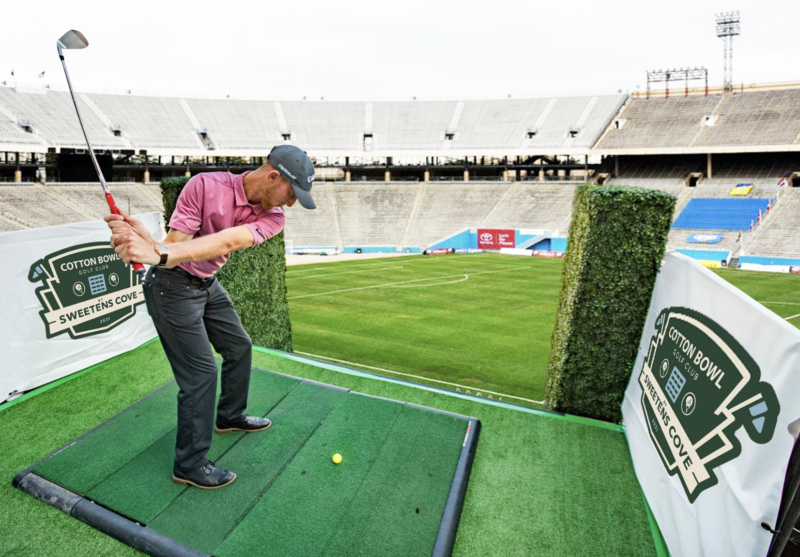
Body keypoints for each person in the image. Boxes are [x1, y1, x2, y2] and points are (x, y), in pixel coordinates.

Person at [105, 145, 315, 489]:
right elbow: (176, 244)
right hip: (170, 289)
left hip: (206, 284)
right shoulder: (205, 185)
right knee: (201, 374)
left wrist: (155, 248)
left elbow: (226, 242)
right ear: (273, 177)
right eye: (291, 193)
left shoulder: (274, 218)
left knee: (239, 346)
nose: (291, 203)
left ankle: (230, 415)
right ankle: (189, 464)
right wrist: (152, 246)